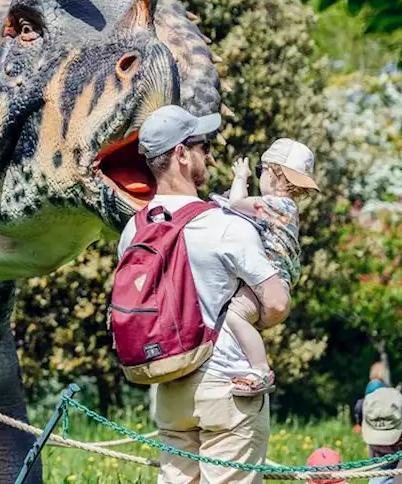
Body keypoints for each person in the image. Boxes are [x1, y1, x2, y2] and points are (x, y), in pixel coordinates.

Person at [117, 105, 291, 484]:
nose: (209, 154)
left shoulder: (133, 230)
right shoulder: (224, 225)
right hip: (228, 386)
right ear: (180, 154)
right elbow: (277, 303)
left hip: (170, 384)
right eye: (202, 145)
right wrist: (246, 316)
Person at [219, 138, 320, 396]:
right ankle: (249, 368)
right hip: (277, 287)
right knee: (240, 324)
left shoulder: (277, 204)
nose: (259, 176)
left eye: (262, 170)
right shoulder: (287, 208)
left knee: (234, 316)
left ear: (277, 175)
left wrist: (240, 176)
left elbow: (236, 202)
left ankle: (261, 370)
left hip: (267, 286)